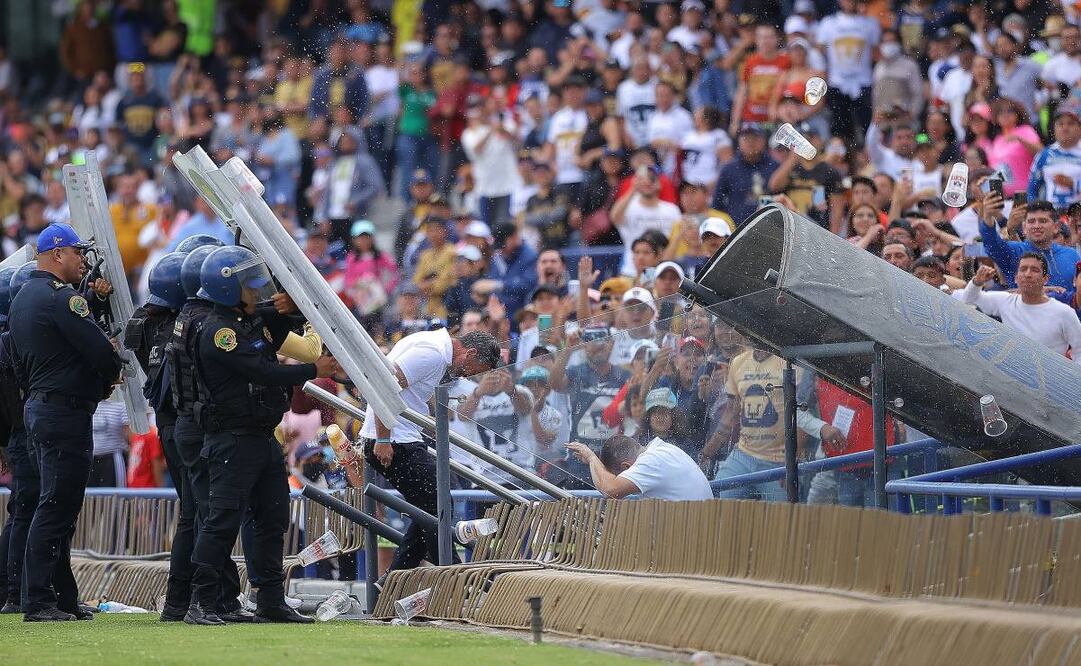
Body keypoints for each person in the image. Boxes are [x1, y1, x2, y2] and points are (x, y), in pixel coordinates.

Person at [185, 246, 338, 625]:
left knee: (273, 518)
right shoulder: (221, 331)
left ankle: (270, 599)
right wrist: (312, 368)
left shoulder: (247, 317)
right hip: (232, 440)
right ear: (227, 291)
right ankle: (201, 602)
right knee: (221, 521)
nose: (258, 292)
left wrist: (293, 306)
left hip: (261, 439)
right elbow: (263, 372)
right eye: (249, 286)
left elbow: (285, 314)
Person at [9, 223, 121, 621]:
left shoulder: (22, 297)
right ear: (58, 254)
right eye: (77, 252)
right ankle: (39, 600)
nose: (82, 261)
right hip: (64, 413)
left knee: (54, 506)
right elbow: (101, 353)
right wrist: (109, 374)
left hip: (40, 408)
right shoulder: (63, 299)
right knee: (57, 507)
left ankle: (62, 597)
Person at [359, 328, 501, 581]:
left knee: (432, 507)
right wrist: (382, 437)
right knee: (438, 504)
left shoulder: (432, 345)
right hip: (393, 439)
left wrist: (425, 423)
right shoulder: (432, 354)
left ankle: (396, 579)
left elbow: (406, 392)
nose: (467, 376)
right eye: (474, 370)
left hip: (402, 436)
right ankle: (451, 573)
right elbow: (383, 386)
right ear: (470, 352)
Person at [165, 242, 252, 623]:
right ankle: (206, 600)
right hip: (200, 427)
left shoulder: (175, 321)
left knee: (198, 516)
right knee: (210, 517)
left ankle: (185, 602)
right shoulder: (210, 326)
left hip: (180, 424)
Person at [702, 346, 845, 501]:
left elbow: (800, 412)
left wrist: (791, 462)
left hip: (780, 461)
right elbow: (731, 412)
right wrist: (706, 453)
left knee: (783, 519)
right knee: (718, 501)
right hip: (743, 455)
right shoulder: (738, 362)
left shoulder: (791, 361)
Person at [961, 257, 1081, 363]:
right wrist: (977, 282)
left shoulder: (1064, 313)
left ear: (1045, 279)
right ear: (1016, 278)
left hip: (1051, 383)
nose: (1027, 274)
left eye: (1035, 270)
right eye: (1023, 269)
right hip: (1012, 379)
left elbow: (1079, 351)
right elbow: (968, 300)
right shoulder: (1005, 301)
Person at [0, 266, 33, 613]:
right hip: (22, 434)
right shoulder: (11, 342)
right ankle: (14, 591)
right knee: (26, 510)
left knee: (22, 510)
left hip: (13, 436)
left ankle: (12, 589)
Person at [979, 195, 1080, 301]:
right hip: (1022, 316)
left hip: (1062, 316)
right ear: (1024, 228)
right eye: (1031, 221)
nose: (1036, 226)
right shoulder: (1014, 251)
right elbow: (992, 245)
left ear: (1056, 227)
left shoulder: (1071, 255)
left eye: (1043, 221)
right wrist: (987, 217)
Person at [566, 434, 713, 500]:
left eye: (618, 476)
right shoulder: (663, 449)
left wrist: (592, 458)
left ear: (626, 467)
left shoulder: (650, 461)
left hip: (690, 547)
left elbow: (610, 490)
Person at [1027, 104, 1081, 209]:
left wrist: (1073, 184)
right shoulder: (1044, 155)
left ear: (1079, 128)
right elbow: (1031, 189)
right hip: (1052, 218)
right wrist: (1037, 211)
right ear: (1054, 128)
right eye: (1060, 124)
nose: (1065, 128)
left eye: (1070, 124)